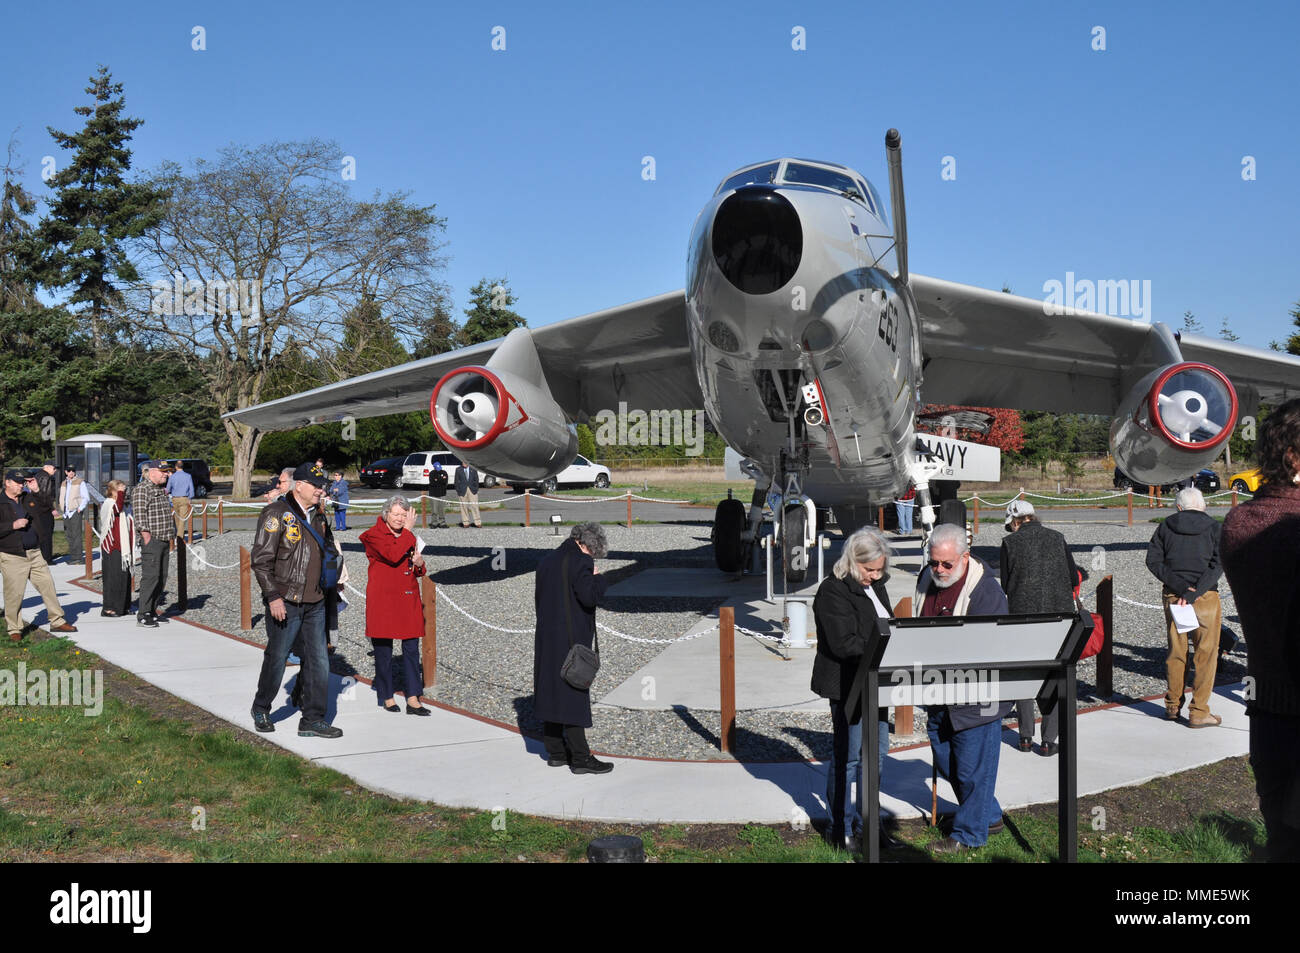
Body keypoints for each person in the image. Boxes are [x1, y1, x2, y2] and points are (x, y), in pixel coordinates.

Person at [1221, 397, 1300, 862]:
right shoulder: (1285, 526)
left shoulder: (1239, 519)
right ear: (1294, 456)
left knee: (1282, 841)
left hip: (1267, 705)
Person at [915, 523, 1011, 853]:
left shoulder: (986, 593)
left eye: (946, 564)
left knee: (972, 770)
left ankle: (969, 835)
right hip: (936, 692)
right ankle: (990, 815)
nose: (938, 570)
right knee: (947, 761)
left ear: (965, 557)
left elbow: (988, 651)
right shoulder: (926, 579)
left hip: (976, 697)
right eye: (933, 562)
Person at [812, 526, 896, 851]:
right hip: (848, 685)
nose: (875, 576)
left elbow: (886, 624)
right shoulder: (832, 591)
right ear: (853, 561)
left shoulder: (876, 586)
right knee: (849, 758)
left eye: (879, 570)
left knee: (876, 756)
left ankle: (869, 824)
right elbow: (843, 643)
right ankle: (840, 827)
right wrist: (884, 647)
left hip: (877, 684)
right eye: (869, 569)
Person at [249, 462, 343, 739]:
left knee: (318, 661)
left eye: (322, 485)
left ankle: (312, 719)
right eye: (316, 485)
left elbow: (328, 552)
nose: (320, 490)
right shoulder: (275, 513)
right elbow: (261, 561)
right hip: (285, 600)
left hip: (315, 601)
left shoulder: (320, 517)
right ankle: (261, 707)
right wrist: (273, 596)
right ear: (298, 486)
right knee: (277, 658)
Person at [1000, 499, 1078, 754]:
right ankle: (1048, 740)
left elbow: (1005, 584)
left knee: (1025, 674)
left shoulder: (1010, 543)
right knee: (1054, 674)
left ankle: (1024, 736)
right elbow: (1071, 574)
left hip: (1022, 616)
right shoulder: (1057, 537)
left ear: (1014, 521)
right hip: (1058, 616)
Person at [533, 521, 611, 773]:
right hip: (571, 638)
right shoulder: (581, 562)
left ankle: (556, 751)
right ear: (586, 544)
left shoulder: (547, 561)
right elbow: (589, 598)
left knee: (551, 689)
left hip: (547, 636)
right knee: (574, 691)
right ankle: (580, 757)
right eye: (592, 550)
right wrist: (599, 579)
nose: (592, 555)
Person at [1145, 486, 1223, 727]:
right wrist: (1195, 592)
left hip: (1173, 595)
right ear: (1203, 505)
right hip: (1206, 597)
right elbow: (1219, 563)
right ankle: (1199, 711)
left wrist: (1180, 587)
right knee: (1206, 655)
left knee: (1176, 652)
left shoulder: (1166, 526)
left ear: (1178, 506)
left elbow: (1153, 560)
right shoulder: (1213, 527)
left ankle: (1172, 705)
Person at [360, 497, 430, 714]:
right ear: (386, 514)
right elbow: (392, 555)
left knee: (411, 647)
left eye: (404, 514)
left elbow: (415, 568)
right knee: (383, 649)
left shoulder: (408, 536)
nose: (400, 519)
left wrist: (420, 565)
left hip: (407, 596)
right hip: (383, 598)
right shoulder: (373, 535)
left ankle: (413, 697)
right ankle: (387, 694)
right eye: (396, 514)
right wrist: (408, 532)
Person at [0, 469, 77, 640]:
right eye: (18, 483)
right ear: (8, 483)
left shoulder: (27, 498)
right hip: (12, 555)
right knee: (14, 593)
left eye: (23, 482)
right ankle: (14, 629)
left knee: (47, 585)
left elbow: (46, 507)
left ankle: (57, 621)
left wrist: (36, 490)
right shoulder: (1, 502)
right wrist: (12, 525)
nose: (22, 485)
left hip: (34, 553)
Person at [132, 460, 176, 627]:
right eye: (163, 471)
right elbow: (140, 515)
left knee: (161, 577)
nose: (167, 474)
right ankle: (143, 614)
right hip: (153, 540)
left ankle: (152, 610)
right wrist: (146, 537)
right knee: (151, 577)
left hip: (164, 538)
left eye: (167, 471)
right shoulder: (143, 489)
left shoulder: (159, 489)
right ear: (152, 472)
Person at [97, 478, 133, 617]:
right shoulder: (108, 503)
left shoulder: (122, 505)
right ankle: (108, 608)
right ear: (113, 490)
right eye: (119, 489)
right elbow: (116, 509)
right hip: (111, 547)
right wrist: (121, 493)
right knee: (112, 578)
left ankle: (123, 606)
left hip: (123, 548)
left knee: (124, 577)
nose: (123, 492)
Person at [60, 465, 91, 564]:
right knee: (69, 535)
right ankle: (73, 556)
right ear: (66, 472)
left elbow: (86, 497)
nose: (71, 472)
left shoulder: (80, 482)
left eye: (73, 470)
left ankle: (78, 557)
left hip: (74, 511)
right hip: (66, 513)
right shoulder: (64, 483)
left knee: (76, 535)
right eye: (69, 470)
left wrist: (80, 508)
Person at [30, 462, 59, 564]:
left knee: (40, 534)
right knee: (46, 535)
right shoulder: (46, 477)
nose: (55, 470)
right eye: (54, 468)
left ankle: (41, 558)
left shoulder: (37, 475)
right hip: (44, 510)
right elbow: (46, 495)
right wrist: (52, 508)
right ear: (47, 467)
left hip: (37, 510)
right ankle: (47, 559)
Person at [167, 460, 195, 543]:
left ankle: (179, 536)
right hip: (184, 498)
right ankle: (179, 537)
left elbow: (168, 489)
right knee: (182, 518)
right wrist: (190, 498)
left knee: (177, 518)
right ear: (183, 467)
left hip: (174, 498)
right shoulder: (188, 476)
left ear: (176, 467)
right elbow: (191, 489)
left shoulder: (172, 477)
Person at [454, 462, 481, 528]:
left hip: (472, 490)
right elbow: (456, 481)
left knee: (474, 506)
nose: (464, 463)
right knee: (463, 507)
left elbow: (476, 479)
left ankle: (477, 522)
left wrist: (476, 489)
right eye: (463, 462)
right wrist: (458, 490)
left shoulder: (473, 469)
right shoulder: (458, 469)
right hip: (462, 491)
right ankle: (466, 522)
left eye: (465, 462)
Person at [428, 461, 450, 528]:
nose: (439, 469)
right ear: (434, 467)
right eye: (437, 468)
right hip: (433, 494)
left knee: (442, 509)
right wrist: (440, 479)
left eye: (439, 468)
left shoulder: (444, 472)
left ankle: (442, 523)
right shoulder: (431, 473)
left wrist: (437, 479)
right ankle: (434, 523)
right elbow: (432, 483)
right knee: (434, 510)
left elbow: (445, 482)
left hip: (442, 493)